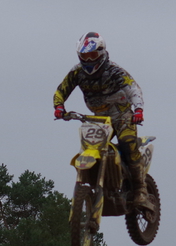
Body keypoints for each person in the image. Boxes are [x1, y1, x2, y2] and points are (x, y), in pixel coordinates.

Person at [52, 31, 149, 207]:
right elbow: (61, 91)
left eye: (92, 55)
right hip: (98, 119)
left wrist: (138, 110)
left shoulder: (114, 70)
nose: (89, 60)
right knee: (90, 146)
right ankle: (99, 182)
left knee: (128, 143)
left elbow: (133, 88)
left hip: (122, 115)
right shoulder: (77, 72)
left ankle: (140, 190)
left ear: (102, 53)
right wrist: (59, 107)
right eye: (85, 56)